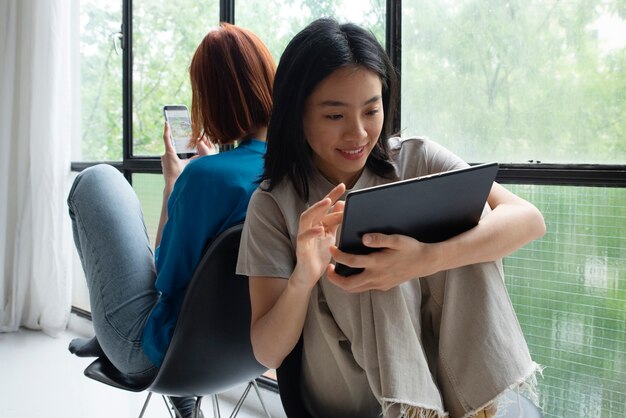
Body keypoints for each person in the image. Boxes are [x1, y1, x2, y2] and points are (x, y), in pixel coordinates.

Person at [236, 18, 546, 418]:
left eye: (371, 110)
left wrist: (423, 258)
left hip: (442, 379)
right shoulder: (274, 203)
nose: (359, 134)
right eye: (335, 116)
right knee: (366, 258)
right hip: (346, 398)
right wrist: (303, 278)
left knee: (473, 229)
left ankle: (465, 405)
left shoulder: (417, 158)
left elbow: (528, 219)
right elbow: (266, 350)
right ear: (297, 115)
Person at [67, 23, 275, 418]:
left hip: (159, 355)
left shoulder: (205, 177)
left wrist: (173, 185)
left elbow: (166, 275)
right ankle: (166, 382)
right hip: (250, 353)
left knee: (97, 180)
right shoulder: (293, 174)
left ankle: (111, 336)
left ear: (211, 99)